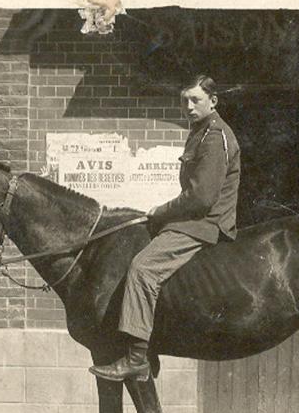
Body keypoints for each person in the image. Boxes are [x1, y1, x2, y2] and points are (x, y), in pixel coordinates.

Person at [89, 75, 241, 382]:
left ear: (213, 101)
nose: (188, 106)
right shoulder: (199, 132)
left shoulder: (215, 135)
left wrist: (160, 211)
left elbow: (201, 197)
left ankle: (136, 358)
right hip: (191, 220)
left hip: (205, 224)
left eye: (195, 100)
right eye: (184, 100)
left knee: (143, 268)